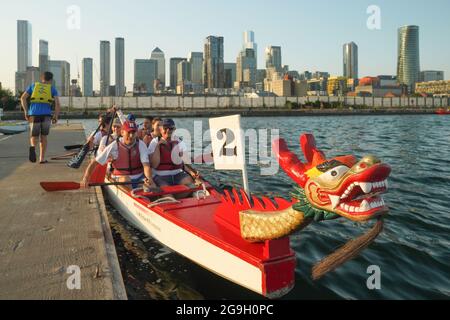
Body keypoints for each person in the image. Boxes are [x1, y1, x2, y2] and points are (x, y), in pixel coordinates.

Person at [81, 121, 156, 190]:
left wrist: (149, 179)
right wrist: (86, 178)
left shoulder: (140, 144)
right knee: (126, 179)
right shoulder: (114, 146)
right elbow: (94, 163)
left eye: (133, 132)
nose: (131, 135)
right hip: (120, 178)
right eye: (129, 132)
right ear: (122, 132)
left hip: (139, 178)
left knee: (150, 184)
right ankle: (132, 197)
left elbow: (146, 165)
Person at [149, 119, 200, 198]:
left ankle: (173, 197)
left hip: (177, 174)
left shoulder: (179, 142)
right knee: (166, 191)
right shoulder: (155, 142)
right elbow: (154, 165)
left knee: (192, 186)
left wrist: (192, 172)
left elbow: (185, 162)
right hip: (160, 176)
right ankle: (169, 197)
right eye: (165, 128)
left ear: (174, 130)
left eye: (171, 128)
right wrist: (158, 146)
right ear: (161, 129)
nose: (168, 130)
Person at [20, 71, 61, 164]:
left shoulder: (33, 86)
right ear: (51, 80)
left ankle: (33, 147)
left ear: (42, 78)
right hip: (46, 115)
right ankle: (41, 159)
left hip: (34, 114)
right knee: (44, 137)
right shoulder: (52, 89)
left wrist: (26, 111)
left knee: (34, 135)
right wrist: (55, 116)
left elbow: (23, 98)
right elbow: (57, 104)